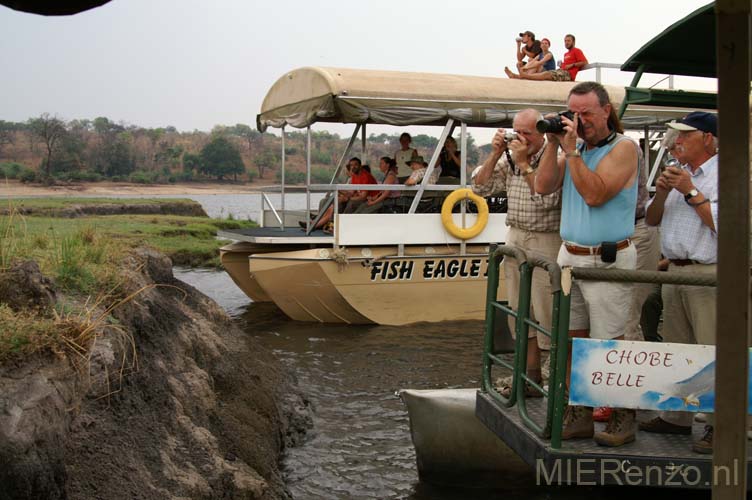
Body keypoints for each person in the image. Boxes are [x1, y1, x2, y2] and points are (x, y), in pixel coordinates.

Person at [535, 81, 640, 447]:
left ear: (607, 110)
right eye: (573, 114)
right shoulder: (573, 148)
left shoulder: (625, 148)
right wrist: (553, 145)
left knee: (609, 343)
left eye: (587, 114)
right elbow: (543, 185)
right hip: (571, 257)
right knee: (573, 340)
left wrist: (572, 153)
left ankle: (623, 416)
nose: (580, 121)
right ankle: (579, 411)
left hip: (607, 260)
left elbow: (595, 194)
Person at [641, 112, 719, 454]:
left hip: (710, 272)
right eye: (675, 136)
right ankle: (678, 417)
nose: (676, 141)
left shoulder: (728, 173)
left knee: (715, 350)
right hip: (675, 271)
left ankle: (723, 424)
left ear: (709, 138)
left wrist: (690, 191)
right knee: (677, 348)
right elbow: (653, 219)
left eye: (685, 135)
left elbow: (725, 225)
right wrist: (661, 193)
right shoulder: (678, 173)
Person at [471, 108, 561, 397]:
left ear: (542, 132)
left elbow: (546, 199)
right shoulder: (509, 156)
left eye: (527, 134)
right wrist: (496, 153)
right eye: (516, 132)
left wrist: (523, 163)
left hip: (547, 239)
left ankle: (560, 383)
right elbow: (480, 186)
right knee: (520, 312)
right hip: (517, 237)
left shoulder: (553, 155)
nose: (520, 139)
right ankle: (528, 378)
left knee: (549, 315)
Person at [309, 157, 376, 231]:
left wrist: (348, 198)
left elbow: (363, 196)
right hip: (358, 197)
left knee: (351, 203)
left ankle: (336, 225)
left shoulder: (365, 176)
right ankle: (320, 223)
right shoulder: (354, 176)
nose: (353, 167)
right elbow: (351, 192)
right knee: (333, 201)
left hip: (370, 199)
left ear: (360, 166)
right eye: (351, 165)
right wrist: (340, 191)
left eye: (355, 165)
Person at [505, 34, 587, 82]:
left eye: (568, 41)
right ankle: (519, 76)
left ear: (573, 42)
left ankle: (524, 76)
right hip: (562, 71)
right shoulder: (566, 53)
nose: (566, 43)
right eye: (565, 41)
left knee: (545, 73)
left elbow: (584, 62)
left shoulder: (576, 50)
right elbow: (533, 61)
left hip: (568, 74)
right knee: (531, 61)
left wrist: (571, 65)